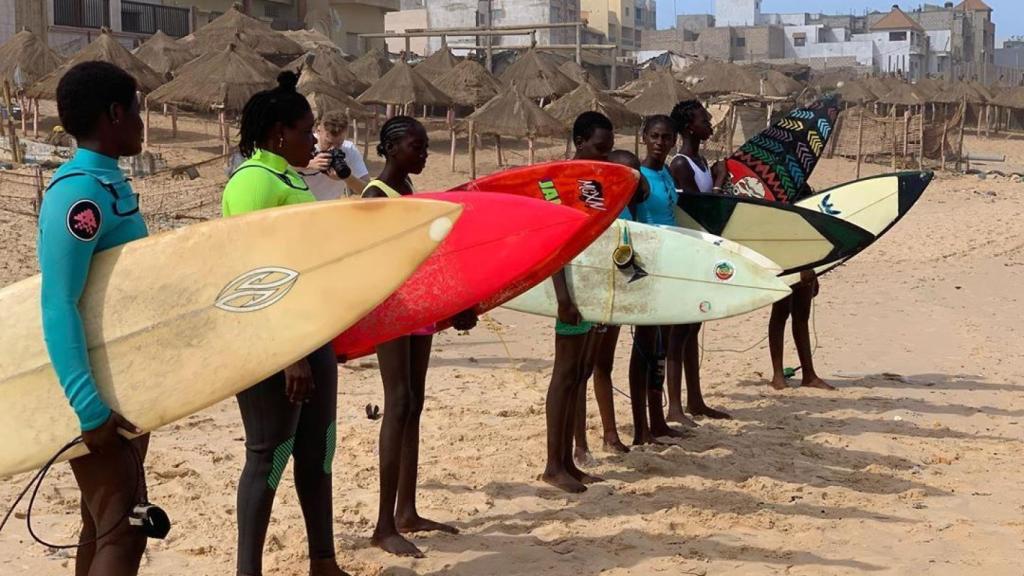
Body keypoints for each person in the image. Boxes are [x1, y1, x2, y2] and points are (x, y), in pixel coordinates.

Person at [221, 71, 349, 576]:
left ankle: (324, 561)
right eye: (306, 131)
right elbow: (251, 273)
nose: (314, 140)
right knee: (269, 456)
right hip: (272, 343)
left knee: (319, 450)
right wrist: (288, 352)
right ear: (279, 133)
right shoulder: (253, 180)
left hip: (311, 333)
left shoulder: (292, 177)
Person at [38, 60, 150, 576]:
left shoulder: (107, 184)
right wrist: (89, 409)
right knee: (124, 531)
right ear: (114, 114)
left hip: (123, 384)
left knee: (102, 523)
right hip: (95, 396)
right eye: (137, 110)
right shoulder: (77, 194)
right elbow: (58, 303)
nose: (141, 122)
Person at [362, 115, 477, 557]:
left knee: (415, 401)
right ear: (391, 149)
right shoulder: (376, 196)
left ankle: (407, 510)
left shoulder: (410, 192)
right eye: (417, 146)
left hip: (421, 307)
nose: (424, 153)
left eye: (426, 146)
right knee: (398, 402)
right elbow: (376, 264)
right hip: (394, 310)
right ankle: (383, 524)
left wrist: (455, 303)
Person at [542, 111, 614, 493]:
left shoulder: (594, 181)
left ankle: (568, 460)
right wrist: (563, 297)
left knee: (581, 374)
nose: (605, 155)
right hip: (569, 292)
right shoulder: (559, 181)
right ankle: (554, 465)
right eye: (600, 148)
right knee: (564, 375)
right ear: (581, 141)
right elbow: (554, 241)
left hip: (590, 287)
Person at [574, 149, 650, 456]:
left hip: (615, 293)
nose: (629, 180)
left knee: (604, 364)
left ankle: (610, 434)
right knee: (582, 369)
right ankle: (579, 444)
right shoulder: (597, 206)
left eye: (634, 175)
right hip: (592, 293)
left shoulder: (628, 208)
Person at [667, 100, 732, 422]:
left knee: (692, 328)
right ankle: (676, 406)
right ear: (690, 127)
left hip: (700, 253)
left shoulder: (701, 161)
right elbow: (698, 209)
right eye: (704, 119)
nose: (710, 123)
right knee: (679, 332)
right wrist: (719, 182)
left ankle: (695, 399)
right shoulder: (680, 165)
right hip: (685, 253)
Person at [627, 115, 690, 444]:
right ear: (643, 136)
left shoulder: (665, 171)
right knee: (645, 349)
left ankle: (658, 420)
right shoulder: (638, 177)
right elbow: (629, 224)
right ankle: (641, 429)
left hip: (668, 266)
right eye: (654, 136)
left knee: (660, 349)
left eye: (666, 137)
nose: (660, 143)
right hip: (646, 269)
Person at [296, 110, 369, 199]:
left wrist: (347, 177)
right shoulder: (302, 143)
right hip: (301, 206)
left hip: (330, 207)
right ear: (318, 130)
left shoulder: (349, 149)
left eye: (339, 144)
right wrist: (308, 164)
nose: (333, 148)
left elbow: (367, 190)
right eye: (328, 143)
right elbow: (277, 170)